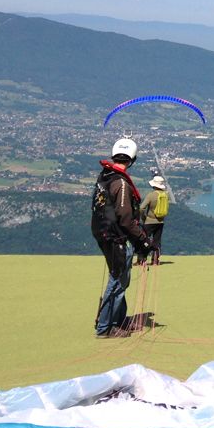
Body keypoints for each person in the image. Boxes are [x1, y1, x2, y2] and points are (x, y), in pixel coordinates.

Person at [90, 137, 157, 338]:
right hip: (116, 237)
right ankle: (105, 327)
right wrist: (144, 241)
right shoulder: (121, 183)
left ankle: (118, 319)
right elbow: (126, 219)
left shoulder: (105, 176)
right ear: (132, 159)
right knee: (118, 280)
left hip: (103, 232)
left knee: (121, 279)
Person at [138, 175, 168, 265]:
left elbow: (141, 208)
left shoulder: (151, 195)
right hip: (160, 222)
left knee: (143, 240)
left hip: (149, 221)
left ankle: (142, 260)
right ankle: (155, 260)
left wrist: (144, 218)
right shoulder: (165, 195)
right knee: (157, 241)